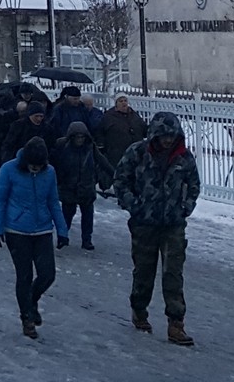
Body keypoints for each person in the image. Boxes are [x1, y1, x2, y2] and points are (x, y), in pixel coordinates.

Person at [116, 110, 199, 345]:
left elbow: (194, 184)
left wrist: (186, 206)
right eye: (163, 136)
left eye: (171, 136)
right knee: (144, 270)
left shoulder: (184, 157)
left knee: (173, 273)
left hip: (173, 224)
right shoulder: (137, 153)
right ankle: (139, 309)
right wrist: (134, 205)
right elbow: (121, 180)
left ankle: (176, 324)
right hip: (144, 224)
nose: (167, 140)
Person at [0, 136, 71, 339]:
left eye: (38, 166)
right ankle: (26, 317)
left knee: (48, 274)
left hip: (42, 230)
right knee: (24, 276)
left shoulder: (49, 172)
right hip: (16, 230)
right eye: (31, 165)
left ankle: (31, 300)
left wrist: (62, 230)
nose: (35, 169)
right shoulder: (8, 170)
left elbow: (53, 201)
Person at [52, 120, 104, 250]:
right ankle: (62, 237)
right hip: (68, 186)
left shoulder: (90, 146)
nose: (80, 140)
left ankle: (87, 240)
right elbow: (55, 163)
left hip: (86, 186)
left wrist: (114, 175)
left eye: (82, 137)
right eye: (77, 137)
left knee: (87, 216)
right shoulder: (62, 146)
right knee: (67, 215)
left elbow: (101, 160)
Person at [97, 94, 148, 171]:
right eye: (121, 101)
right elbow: (100, 132)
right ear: (116, 104)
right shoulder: (108, 117)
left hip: (135, 152)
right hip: (117, 154)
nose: (124, 103)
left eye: (125, 101)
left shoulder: (134, 115)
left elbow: (144, 128)